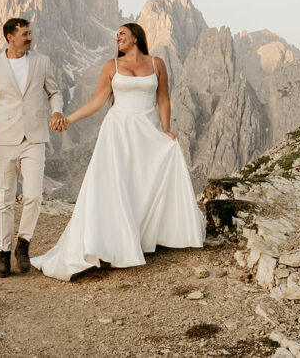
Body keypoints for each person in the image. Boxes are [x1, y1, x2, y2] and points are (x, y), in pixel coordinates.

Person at [31, 22, 205, 280]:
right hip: (118, 132)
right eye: (117, 36)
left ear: (136, 37)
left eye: (122, 33)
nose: (118, 38)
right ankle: (116, 247)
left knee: (142, 183)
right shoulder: (111, 67)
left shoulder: (157, 63)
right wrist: (68, 120)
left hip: (147, 130)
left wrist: (166, 130)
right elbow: (97, 102)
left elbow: (163, 99)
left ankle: (143, 237)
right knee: (117, 185)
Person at [0, 17, 66, 277]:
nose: (30, 38)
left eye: (30, 33)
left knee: (33, 195)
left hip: (34, 138)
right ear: (10, 37)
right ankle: (3, 254)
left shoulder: (41, 62)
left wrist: (56, 112)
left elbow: (54, 92)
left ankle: (23, 244)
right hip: (5, 139)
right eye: (25, 34)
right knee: (6, 197)